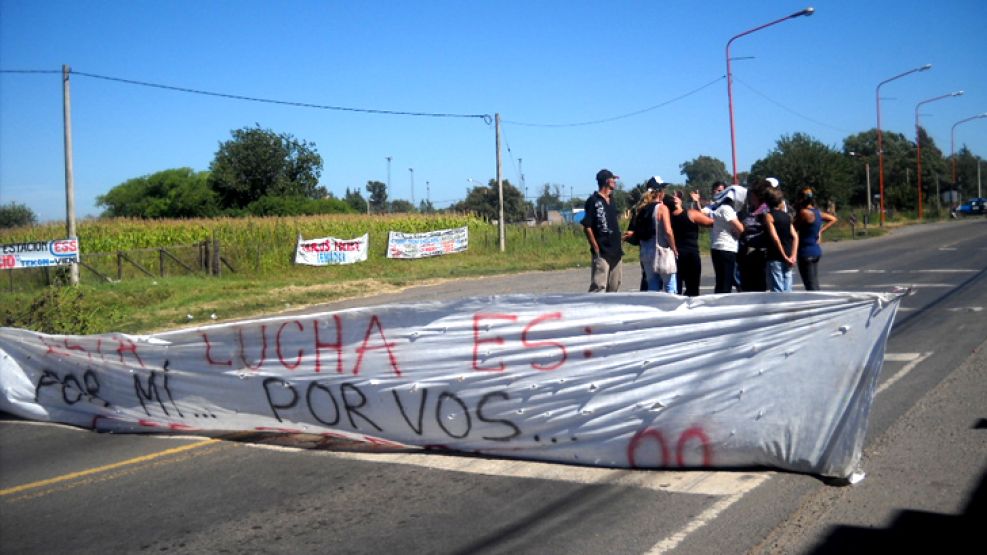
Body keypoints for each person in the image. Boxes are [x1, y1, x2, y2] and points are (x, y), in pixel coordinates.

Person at [581, 169, 623, 292]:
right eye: (612, 179)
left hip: (616, 250)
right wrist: (595, 247)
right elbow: (587, 226)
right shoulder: (593, 201)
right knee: (599, 287)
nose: (615, 181)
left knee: (615, 286)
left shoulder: (612, 199)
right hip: (602, 251)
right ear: (606, 181)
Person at [668, 190, 713, 296]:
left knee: (677, 288)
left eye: (677, 196)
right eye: (673, 197)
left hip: (676, 254)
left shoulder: (668, 218)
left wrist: (697, 203)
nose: (675, 198)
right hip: (689, 255)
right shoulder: (690, 213)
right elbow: (710, 222)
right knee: (692, 288)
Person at [794, 187, 838, 291]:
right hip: (815, 250)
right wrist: (820, 230)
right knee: (814, 282)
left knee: (810, 286)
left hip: (805, 252)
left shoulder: (804, 213)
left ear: (801, 199)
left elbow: (793, 228)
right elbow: (833, 219)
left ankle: (816, 304)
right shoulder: (817, 212)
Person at [707, 185, 746, 293]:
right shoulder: (726, 209)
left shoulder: (722, 209)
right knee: (725, 282)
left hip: (719, 247)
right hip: (726, 248)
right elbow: (740, 228)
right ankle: (722, 304)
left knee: (721, 281)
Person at [763, 186, 798, 292]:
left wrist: (783, 256)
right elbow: (795, 236)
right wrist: (793, 255)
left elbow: (775, 238)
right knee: (788, 288)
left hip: (776, 256)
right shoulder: (787, 216)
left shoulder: (769, 216)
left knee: (777, 290)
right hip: (788, 254)